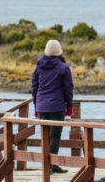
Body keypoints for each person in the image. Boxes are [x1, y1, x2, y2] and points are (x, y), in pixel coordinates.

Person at [31, 39, 74, 173]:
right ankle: (49, 165)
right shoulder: (63, 68)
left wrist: (36, 106)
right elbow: (68, 88)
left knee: (46, 136)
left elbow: (34, 87)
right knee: (55, 136)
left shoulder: (39, 67)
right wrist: (70, 106)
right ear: (59, 52)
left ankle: (51, 165)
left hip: (42, 105)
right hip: (56, 106)